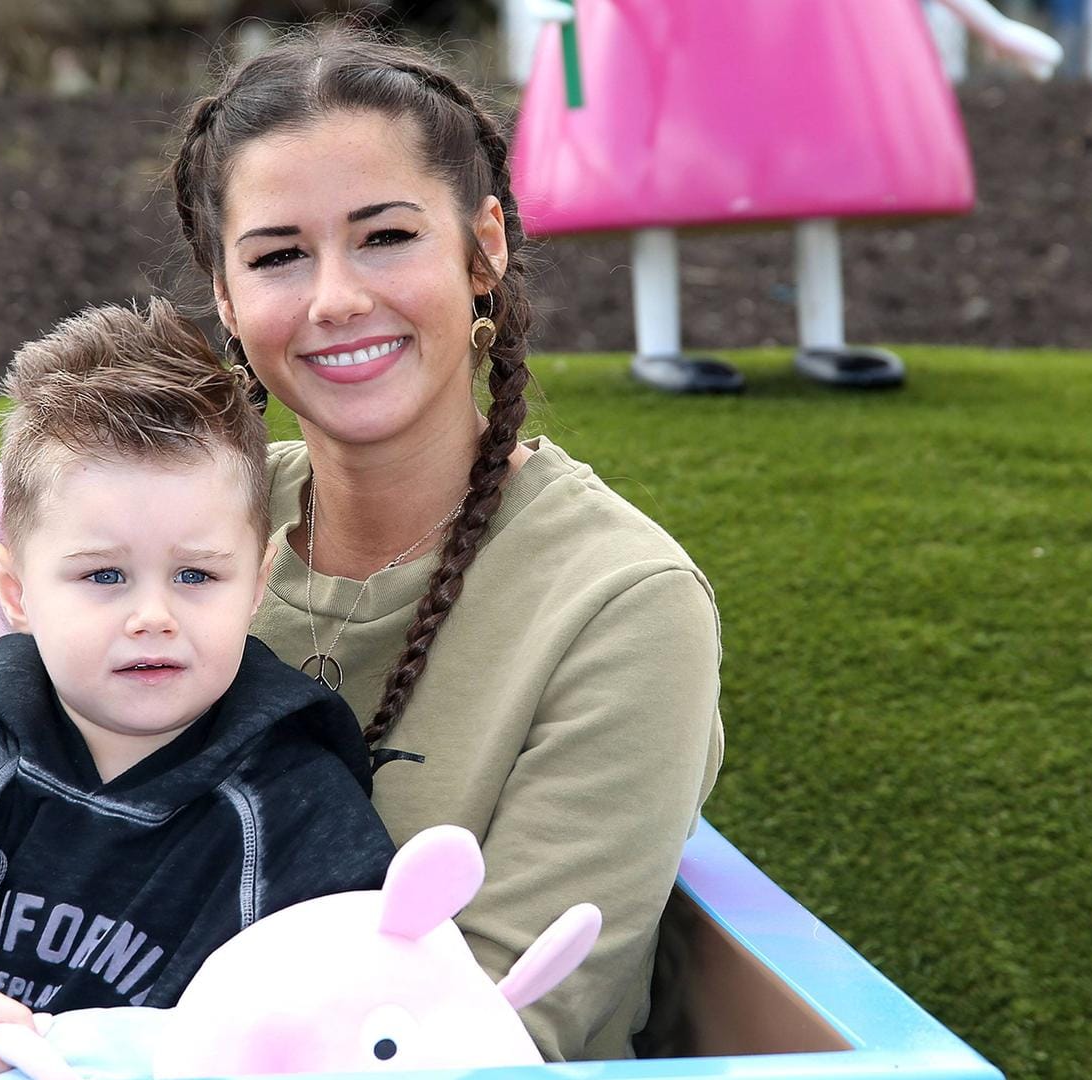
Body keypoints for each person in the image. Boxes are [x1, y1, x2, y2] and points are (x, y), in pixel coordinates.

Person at [168, 25, 724, 1060]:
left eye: (386, 237)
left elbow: (504, 1026)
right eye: (280, 256)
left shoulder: (622, 604)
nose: (336, 298)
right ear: (226, 300)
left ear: (486, 247)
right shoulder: (181, 545)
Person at [0, 300, 397, 1080]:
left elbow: (359, 1010)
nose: (153, 616)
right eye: (104, 575)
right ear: (15, 590)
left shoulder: (295, 809)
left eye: (196, 575)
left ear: (257, 582)